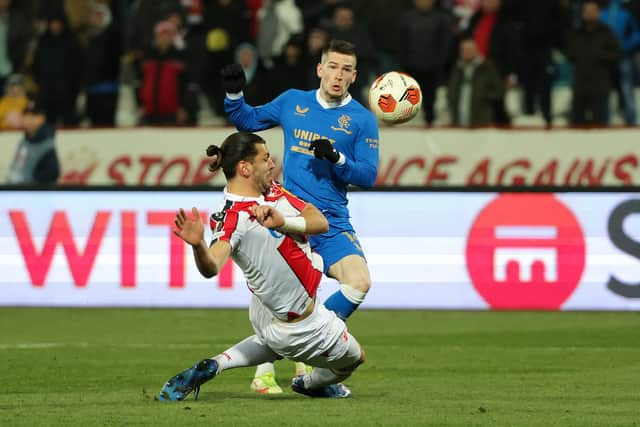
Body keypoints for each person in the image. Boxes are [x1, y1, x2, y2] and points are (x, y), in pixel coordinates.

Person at [157, 131, 365, 401]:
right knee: (354, 359)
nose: (271, 163)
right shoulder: (233, 219)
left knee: (273, 342)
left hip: (265, 310)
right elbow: (212, 266)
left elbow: (319, 221)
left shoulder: (270, 190)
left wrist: (283, 222)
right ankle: (310, 384)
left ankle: (216, 364)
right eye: (265, 158)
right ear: (244, 167)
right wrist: (198, 246)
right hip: (300, 323)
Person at [221, 38, 378, 394]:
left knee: (360, 282)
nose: (338, 75)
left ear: (354, 77)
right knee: (280, 303)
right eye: (333, 67)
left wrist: (337, 159)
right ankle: (275, 369)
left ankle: (308, 368)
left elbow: (367, 176)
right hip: (288, 218)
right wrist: (234, 94)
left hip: (332, 221)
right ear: (320, 69)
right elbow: (247, 119)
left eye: (346, 70)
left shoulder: (362, 120)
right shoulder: (294, 101)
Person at [6, 100, 60, 185]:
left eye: (33, 116)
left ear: (42, 119)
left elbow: (53, 173)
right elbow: (18, 165)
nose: (29, 120)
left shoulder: (46, 144)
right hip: (16, 190)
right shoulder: (24, 141)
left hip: (30, 193)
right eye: (26, 116)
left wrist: (31, 182)